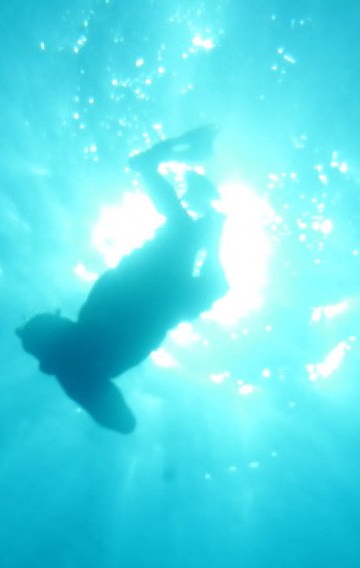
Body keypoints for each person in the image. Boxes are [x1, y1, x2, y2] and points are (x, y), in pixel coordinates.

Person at [17, 126, 228, 433]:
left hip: (149, 299)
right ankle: (185, 198)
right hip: (149, 299)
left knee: (190, 241)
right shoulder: (75, 372)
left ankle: (180, 195)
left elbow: (124, 422)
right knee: (190, 240)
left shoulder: (75, 374)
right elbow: (123, 422)